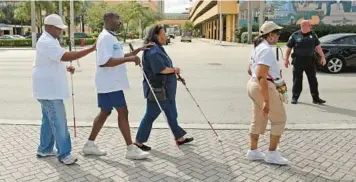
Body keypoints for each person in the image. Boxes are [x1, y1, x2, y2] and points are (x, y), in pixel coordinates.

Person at [82, 12, 150, 160]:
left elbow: (117, 57)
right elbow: (105, 61)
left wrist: (135, 53)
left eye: (119, 18)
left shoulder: (111, 36)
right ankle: (130, 148)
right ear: (107, 20)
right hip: (110, 83)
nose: (119, 21)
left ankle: (89, 145)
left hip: (109, 83)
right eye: (116, 19)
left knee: (105, 112)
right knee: (123, 112)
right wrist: (129, 59)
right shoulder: (105, 37)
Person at [32, 14, 96, 165]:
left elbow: (52, 60)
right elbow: (65, 55)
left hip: (46, 89)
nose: (60, 31)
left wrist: (66, 67)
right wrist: (91, 49)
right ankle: (64, 154)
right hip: (49, 90)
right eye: (58, 28)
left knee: (49, 120)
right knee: (59, 121)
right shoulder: (47, 41)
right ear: (50, 27)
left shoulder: (50, 40)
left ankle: (45, 149)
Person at [134, 25, 194, 151]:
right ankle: (138, 142)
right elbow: (160, 69)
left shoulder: (157, 48)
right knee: (150, 115)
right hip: (159, 91)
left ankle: (179, 138)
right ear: (156, 35)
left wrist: (175, 74)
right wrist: (174, 70)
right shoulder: (153, 51)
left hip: (167, 90)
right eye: (163, 33)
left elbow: (165, 67)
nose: (165, 36)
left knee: (172, 114)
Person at [246, 21, 288, 165]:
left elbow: (250, 70)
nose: (278, 36)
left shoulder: (257, 47)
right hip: (263, 86)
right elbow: (261, 75)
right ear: (270, 35)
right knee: (279, 119)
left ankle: (253, 151)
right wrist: (267, 101)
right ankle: (272, 154)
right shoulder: (266, 50)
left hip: (253, 85)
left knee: (258, 118)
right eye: (277, 33)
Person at [284, 20, 326, 104]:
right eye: (309, 25)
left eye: (310, 25)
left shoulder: (313, 35)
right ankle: (295, 97)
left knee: (313, 80)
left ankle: (316, 98)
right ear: (303, 26)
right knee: (297, 80)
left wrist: (323, 57)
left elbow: (318, 47)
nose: (311, 26)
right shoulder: (295, 35)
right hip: (298, 61)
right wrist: (286, 59)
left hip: (310, 61)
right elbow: (289, 48)